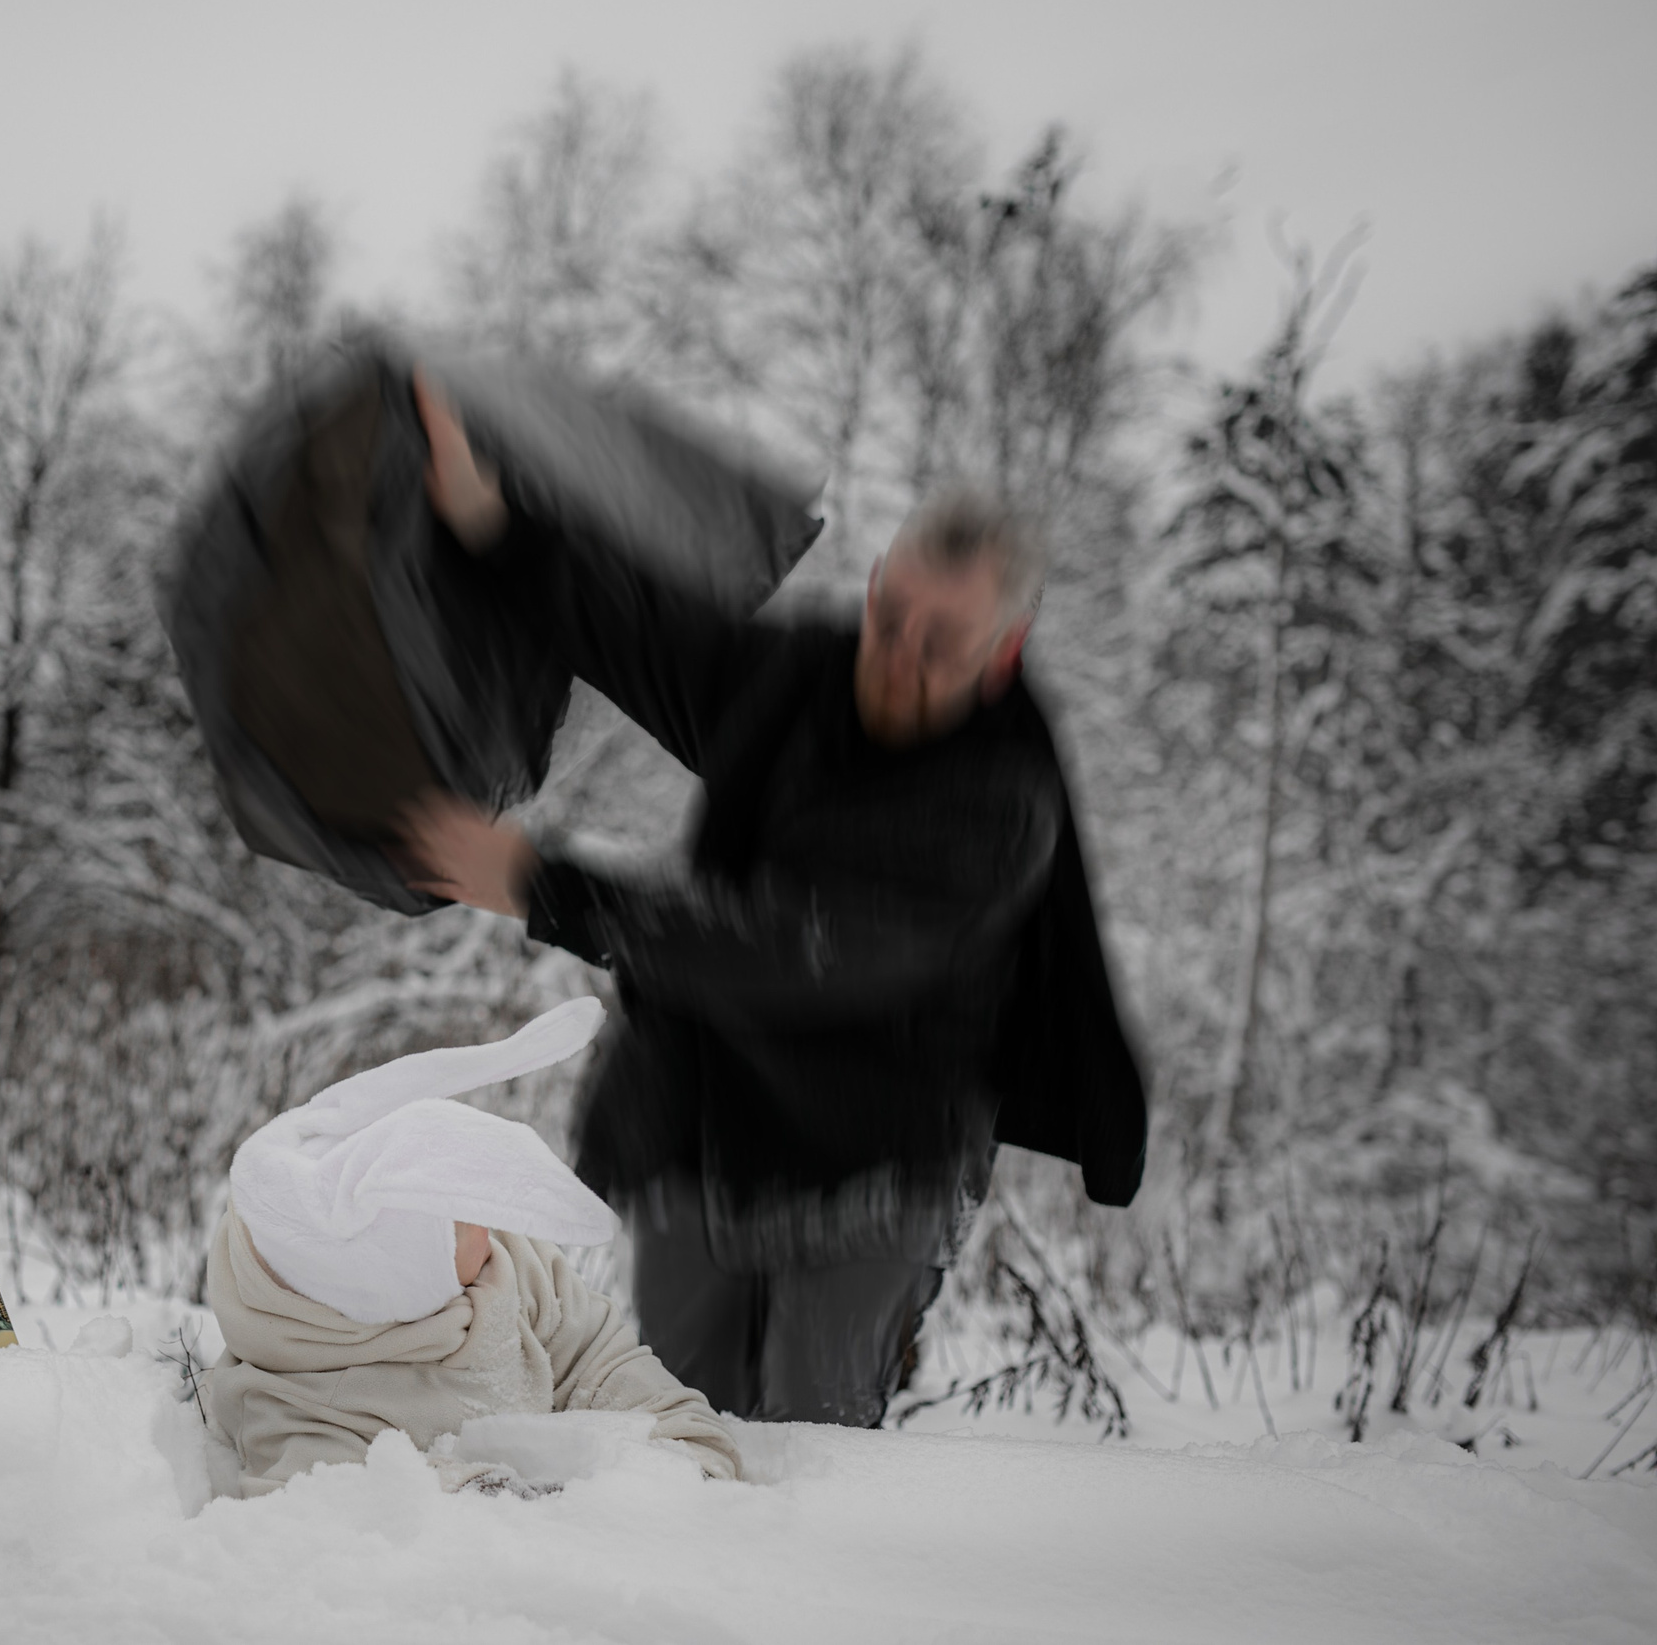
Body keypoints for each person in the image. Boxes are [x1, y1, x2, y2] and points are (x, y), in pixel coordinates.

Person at [394, 372, 1145, 1428]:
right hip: (710, 1129)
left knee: (805, 1465)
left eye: (941, 644)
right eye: (890, 618)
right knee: (677, 1440)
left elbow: (797, 949)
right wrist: (487, 518)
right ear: (877, 583)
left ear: (1003, 649)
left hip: (877, 1164)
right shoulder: (799, 680)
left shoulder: (998, 803)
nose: (896, 660)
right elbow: (638, 629)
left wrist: (535, 883)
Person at [203, 997, 743, 1496]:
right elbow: (331, 1509)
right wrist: (509, 1498)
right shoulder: (300, 1400)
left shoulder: (511, 1267)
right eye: (460, 1223)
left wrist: (681, 1456)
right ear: (399, 1275)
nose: (489, 1226)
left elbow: (603, 1358)